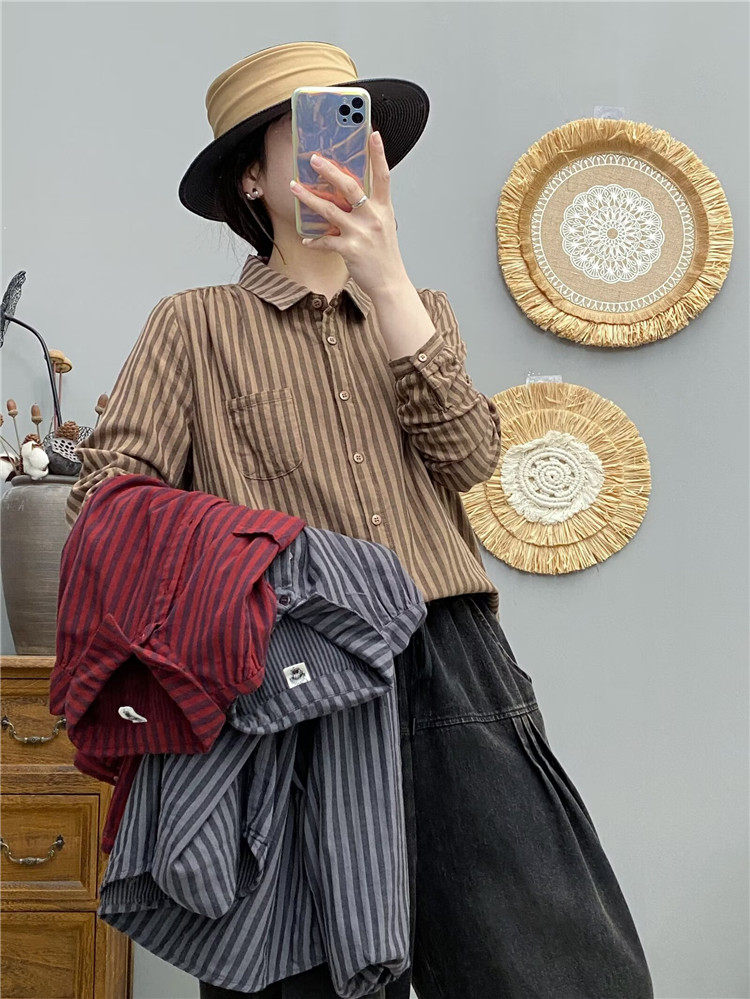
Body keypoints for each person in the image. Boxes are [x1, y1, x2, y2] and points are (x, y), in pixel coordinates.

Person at [69, 41, 654, 999]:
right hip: (289, 675)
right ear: (251, 178)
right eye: (307, 134)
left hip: (448, 657)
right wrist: (278, 557)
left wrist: (387, 283)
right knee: (302, 978)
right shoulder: (195, 324)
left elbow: (471, 459)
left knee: (553, 966)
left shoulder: (418, 311)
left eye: (349, 131)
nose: (335, 155)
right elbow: (107, 503)